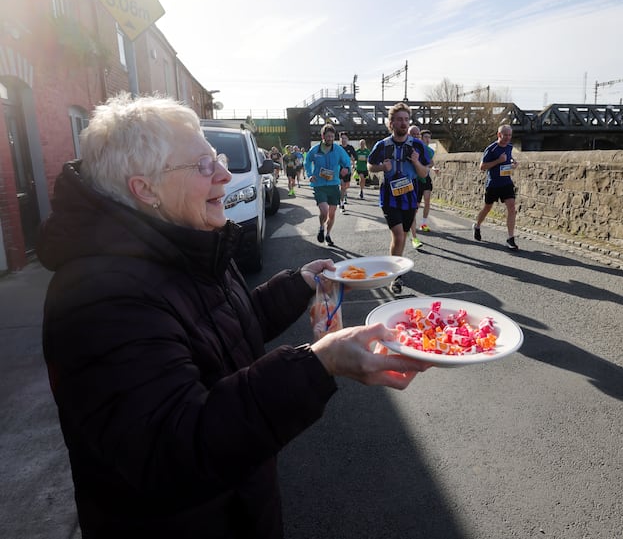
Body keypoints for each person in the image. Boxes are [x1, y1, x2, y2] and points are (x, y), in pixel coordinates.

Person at [37, 95, 429, 539]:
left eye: (217, 157)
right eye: (203, 165)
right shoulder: (98, 301)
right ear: (144, 188)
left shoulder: (186, 240)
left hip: (237, 509)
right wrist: (319, 364)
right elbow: (177, 447)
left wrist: (298, 282)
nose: (224, 174)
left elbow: (223, 329)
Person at [368, 102, 431, 292]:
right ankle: (395, 277)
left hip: (410, 196)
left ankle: (395, 265)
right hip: (389, 196)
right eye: (399, 120)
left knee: (402, 236)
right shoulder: (382, 145)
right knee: (398, 235)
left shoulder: (417, 145)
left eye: (406, 119)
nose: (403, 123)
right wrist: (382, 168)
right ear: (391, 123)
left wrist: (416, 162)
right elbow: (370, 165)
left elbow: (424, 173)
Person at [473, 124, 519, 250]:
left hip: (506, 183)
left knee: (511, 206)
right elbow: (482, 167)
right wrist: (498, 161)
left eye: (510, 135)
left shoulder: (509, 147)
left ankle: (510, 238)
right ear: (499, 135)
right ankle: (477, 225)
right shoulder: (491, 149)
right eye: (505, 135)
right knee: (487, 208)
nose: (508, 138)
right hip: (493, 184)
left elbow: (508, 158)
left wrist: (513, 163)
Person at [305, 124, 351, 245]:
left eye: (332, 136)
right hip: (319, 185)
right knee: (324, 211)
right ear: (322, 136)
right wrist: (310, 174)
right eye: (328, 136)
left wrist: (346, 169)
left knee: (332, 213)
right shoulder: (314, 150)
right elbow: (307, 162)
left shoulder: (338, 149)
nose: (330, 138)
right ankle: (321, 227)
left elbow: (347, 162)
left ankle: (328, 234)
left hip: (333, 185)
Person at [408, 126, 437, 249]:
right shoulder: (406, 147)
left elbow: (431, 162)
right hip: (413, 181)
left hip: (425, 178)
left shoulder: (427, 150)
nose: (427, 139)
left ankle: (424, 223)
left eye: (418, 134)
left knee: (427, 200)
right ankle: (412, 231)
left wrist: (428, 168)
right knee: (414, 208)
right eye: (425, 137)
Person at [338, 132, 356, 211]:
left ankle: (344, 194)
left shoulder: (350, 148)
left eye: (345, 138)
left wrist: (353, 161)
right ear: (340, 139)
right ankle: (341, 203)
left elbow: (355, 157)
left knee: (346, 186)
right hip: (339, 169)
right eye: (342, 138)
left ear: (347, 139)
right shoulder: (337, 148)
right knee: (342, 186)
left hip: (348, 169)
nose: (343, 140)